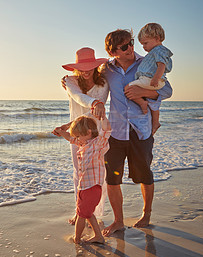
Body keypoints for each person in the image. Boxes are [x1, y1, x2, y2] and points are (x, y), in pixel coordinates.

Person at [62, 29, 172, 237]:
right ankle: (119, 221)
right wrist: (70, 81)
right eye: (124, 47)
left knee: (144, 175)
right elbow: (90, 78)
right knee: (112, 180)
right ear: (113, 52)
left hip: (141, 129)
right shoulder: (107, 70)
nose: (130, 48)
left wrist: (144, 92)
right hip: (115, 131)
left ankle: (146, 214)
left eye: (130, 43)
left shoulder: (146, 63)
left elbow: (167, 91)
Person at [59, 47, 109, 225]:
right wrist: (95, 103)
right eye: (83, 68)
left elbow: (94, 111)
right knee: (78, 172)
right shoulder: (70, 81)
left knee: (97, 175)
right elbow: (78, 97)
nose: (86, 72)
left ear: (96, 66)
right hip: (77, 131)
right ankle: (80, 211)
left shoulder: (103, 83)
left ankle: (94, 212)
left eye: (90, 67)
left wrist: (97, 104)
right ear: (76, 68)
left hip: (96, 133)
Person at [53, 115, 111, 244]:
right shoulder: (83, 143)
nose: (77, 139)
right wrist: (61, 131)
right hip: (83, 186)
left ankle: (77, 239)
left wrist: (102, 117)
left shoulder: (98, 143)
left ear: (89, 132)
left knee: (81, 215)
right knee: (87, 213)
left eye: (79, 136)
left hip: (92, 187)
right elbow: (70, 138)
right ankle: (98, 236)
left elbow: (107, 130)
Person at [126, 23, 173, 134]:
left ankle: (142, 103)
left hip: (152, 80)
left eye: (145, 43)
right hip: (152, 81)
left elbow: (162, 65)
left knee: (128, 88)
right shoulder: (154, 53)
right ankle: (156, 122)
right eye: (142, 44)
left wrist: (155, 79)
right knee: (153, 103)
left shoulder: (158, 51)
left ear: (157, 39)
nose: (143, 47)